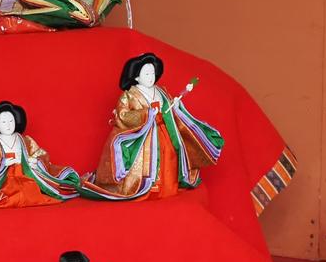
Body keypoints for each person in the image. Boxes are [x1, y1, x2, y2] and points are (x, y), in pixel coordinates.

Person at [82, 53, 223, 201]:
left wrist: (175, 106)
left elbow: (168, 109)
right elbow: (122, 115)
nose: (151, 77)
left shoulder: (161, 91)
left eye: (153, 73)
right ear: (136, 77)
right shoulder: (129, 95)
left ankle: (167, 187)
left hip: (164, 132)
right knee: (148, 161)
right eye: (147, 74)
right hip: (143, 137)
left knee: (169, 157)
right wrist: (146, 114)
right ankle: (148, 188)